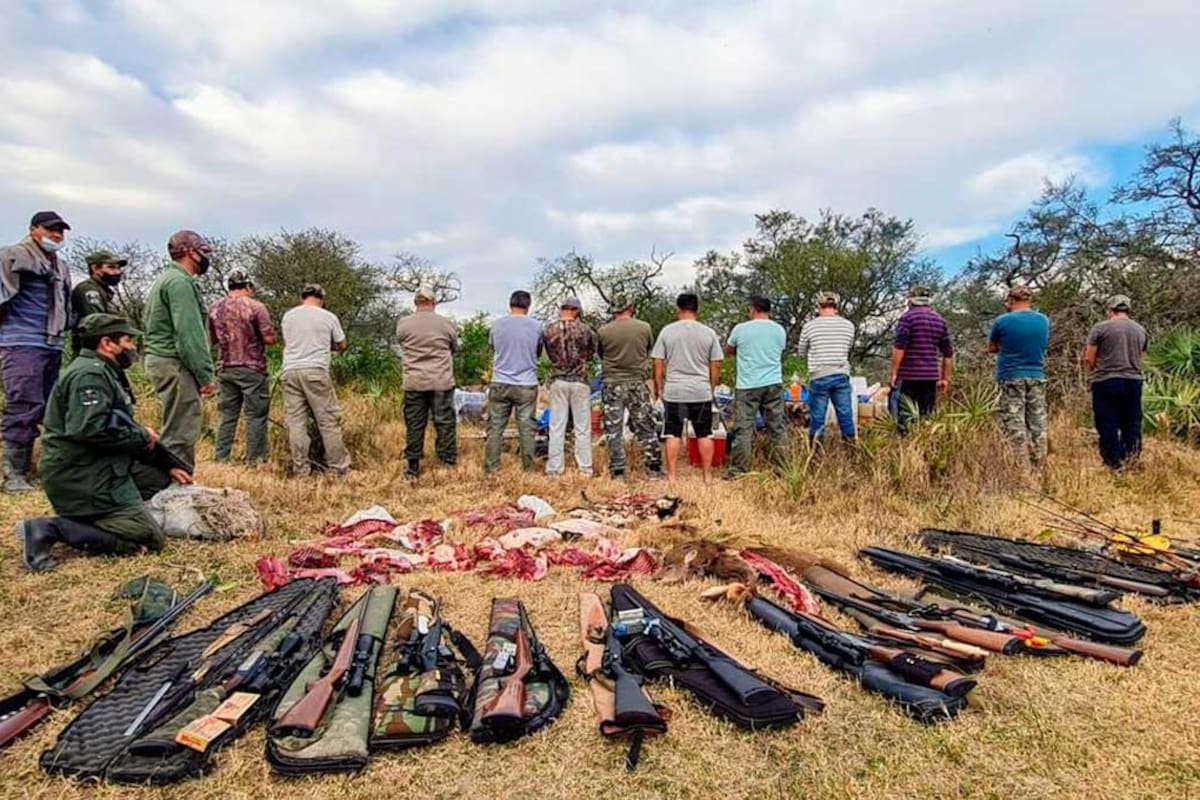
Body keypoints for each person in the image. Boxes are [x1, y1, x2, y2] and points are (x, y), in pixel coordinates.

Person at [17, 314, 193, 572]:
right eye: (127, 340)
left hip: (95, 464)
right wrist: (143, 436)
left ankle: (105, 512)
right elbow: (91, 431)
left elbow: (118, 426)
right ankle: (51, 528)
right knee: (148, 536)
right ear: (107, 343)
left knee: (157, 479)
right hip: (81, 473)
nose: (132, 347)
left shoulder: (103, 371)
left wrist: (166, 462)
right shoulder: (90, 376)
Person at [0, 211, 73, 493]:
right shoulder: (14, 255)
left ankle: (39, 468)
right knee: (24, 403)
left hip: (52, 342)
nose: (57, 235)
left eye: (61, 231)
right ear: (33, 229)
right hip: (22, 341)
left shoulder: (60, 265)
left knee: (51, 407)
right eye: (50, 229)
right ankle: (14, 474)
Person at [143, 230, 216, 469]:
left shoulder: (166, 279)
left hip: (163, 360)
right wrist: (205, 375)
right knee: (180, 430)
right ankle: (175, 482)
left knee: (175, 425)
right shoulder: (180, 283)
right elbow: (189, 334)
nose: (206, 257)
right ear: (190, 253)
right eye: (203, 252)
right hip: (174, 363)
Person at [651, 293, 723, 484]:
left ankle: (672, 476)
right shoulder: (709, 333)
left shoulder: (667, 332)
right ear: (697, 310)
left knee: (672, 433)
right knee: (704, 433)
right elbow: (716, 364)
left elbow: (658, 362)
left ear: (678, 309)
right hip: (701, 391)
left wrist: (660, 388)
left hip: (674, 391)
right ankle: (707, 476)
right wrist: (711, 387)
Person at [280, 284, 350, 477]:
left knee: (296, 424)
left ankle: (301, 470)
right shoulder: (328, 317)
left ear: (302, 297)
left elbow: (288, 342)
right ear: (322, 298)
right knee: (328, 422)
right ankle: (337, 468)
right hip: (315, 371)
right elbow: (342, 344)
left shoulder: (288, 316)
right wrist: (327, 346)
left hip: (290, 371)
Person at [208, 268, 277, 464]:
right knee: (256, 416)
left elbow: (212, 339)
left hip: (225, 367)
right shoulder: (256, 307)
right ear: (248, 286)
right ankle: (255, 459)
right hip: (252, 368)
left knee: (227, 415)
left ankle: (221, 458)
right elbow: (270, 339)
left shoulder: (214, 308)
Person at [395, 283, 459, 478]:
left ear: (415, 302)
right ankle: (447, 460)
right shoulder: (446, 324)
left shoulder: (404, 324)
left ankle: (413, 465)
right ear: (434, 302)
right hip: (441, 381)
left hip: (414, 381)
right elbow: (454, 347)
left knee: (415, 423)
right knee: (444, 422)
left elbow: (401, 342)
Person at [597, 296, 662, 478]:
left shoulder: (603, 331)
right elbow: (648, 350)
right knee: (645, 425)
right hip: (637, 383)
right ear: (631, 307)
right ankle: (654, 468)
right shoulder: (644, 328)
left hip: (612, 384)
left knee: (613, 429)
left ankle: (618, 470)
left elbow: (601, 354)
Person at [988, 284, 1050, 464]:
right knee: (1038, 421)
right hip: (1036, 374)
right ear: (1030, 300)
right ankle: (1039, 461)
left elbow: (992, 347)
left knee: (1014, 422)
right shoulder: (1043, 320)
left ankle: (1019, 465)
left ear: (1011, 300)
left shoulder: (1002, 321)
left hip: (1011, 375)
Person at [1085, 294, 1148, 469]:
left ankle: (1112, 462)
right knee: (1132, 421)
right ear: (1128, 310)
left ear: (1110, 310)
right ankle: (1131, 458)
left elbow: (1089, 357)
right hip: (1133, 380)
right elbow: (1142, 357)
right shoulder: (1140, 330)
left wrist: (1098, 370)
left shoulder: (1100, 328)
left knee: (1107, 422)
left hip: (1106, 380)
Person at [725, 295, 786, 475]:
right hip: (773, 383)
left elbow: (728, 350)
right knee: (776, 428)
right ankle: (782, 469)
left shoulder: (741, 329)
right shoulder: (779, 330)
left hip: (748, 385)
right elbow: (779, 350)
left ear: (753, 309)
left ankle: (738, 470)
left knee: (743, 429)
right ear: (769, 310)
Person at [485, 290, 544, 473]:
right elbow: (538, 352)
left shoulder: (497, 325)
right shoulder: (537, 326)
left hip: (500, 381)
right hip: (526, 383)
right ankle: (528, 468)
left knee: (495, 427)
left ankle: (492, 468)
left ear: (510, 304)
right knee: (526, 428)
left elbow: (493, 347)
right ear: (528, 306)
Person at [543, 296, 598, 477]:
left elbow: (549, 354)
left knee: (556, 426)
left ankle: (554, 469)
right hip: (580, 381)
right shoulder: (586, 330)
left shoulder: (549, 329)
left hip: (558, 380)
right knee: (582, 427)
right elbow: (591, 353)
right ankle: (585, 468)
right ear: (576, 311)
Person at [889, 285, 953, 432]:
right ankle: (924, 443)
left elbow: (900, 347)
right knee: (926, 418)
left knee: (903, 418)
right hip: (930, 378)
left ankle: (905, 443)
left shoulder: (907, 318)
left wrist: (893, 373)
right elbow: (948, 353)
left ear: (911, 300)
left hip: (908, 376)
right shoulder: (939, 320)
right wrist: (945, 378)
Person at [797, 292, 857, 444]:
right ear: (837, 307)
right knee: (845, 414)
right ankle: (851, 448)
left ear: (819, 306)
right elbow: (848, 347)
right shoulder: (848, 325)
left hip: (819, 375)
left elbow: (801, 352)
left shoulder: (809, 326)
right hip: (841, 373)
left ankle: (815, 449)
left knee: (817, 417)